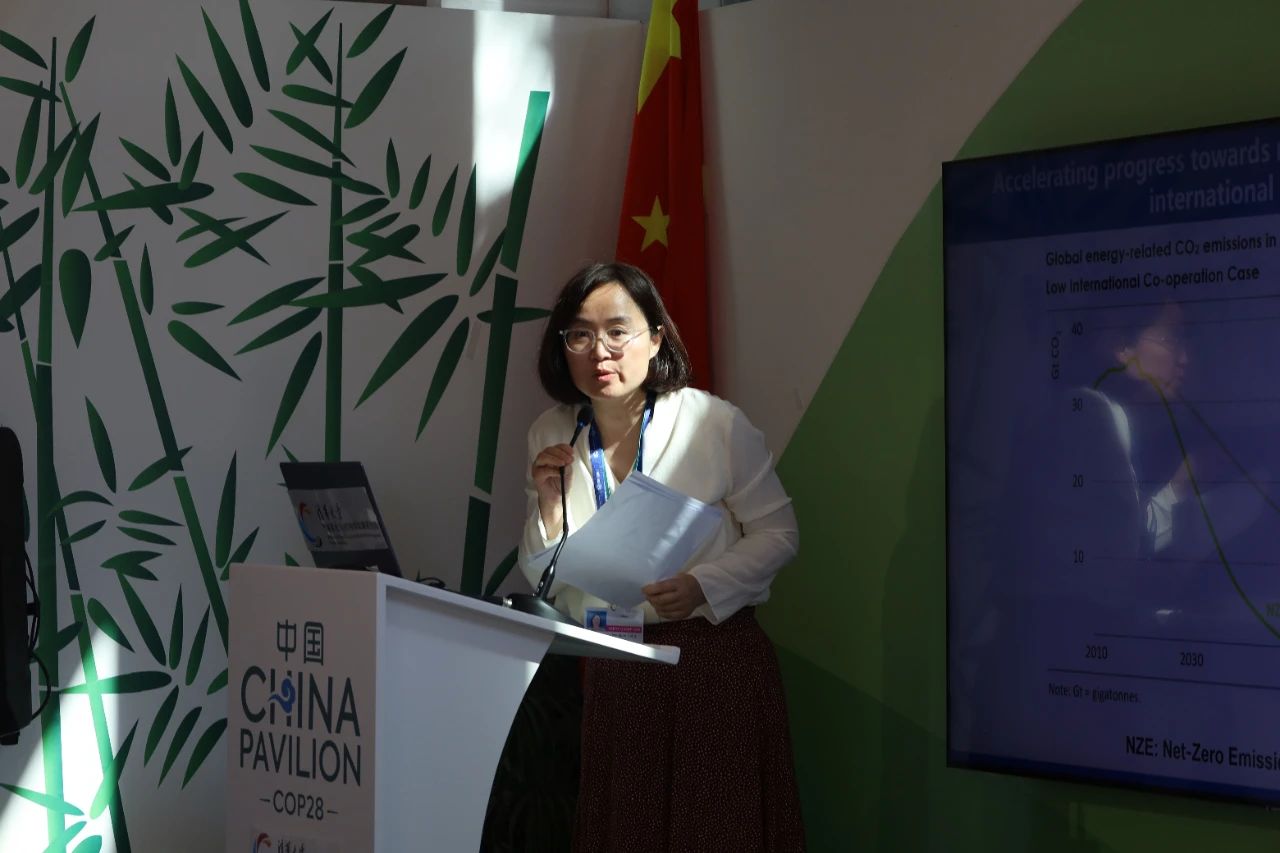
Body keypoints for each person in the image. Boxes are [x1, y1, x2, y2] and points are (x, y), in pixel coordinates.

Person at [517, 262, 805, 852]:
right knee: (628, 832)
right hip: (617, 665)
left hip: (711, 663)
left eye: (617, 331)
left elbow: (779, 534)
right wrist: (547, 505)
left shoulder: (712, 422)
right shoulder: (551, 432)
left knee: (716, 833)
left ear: (655, 338)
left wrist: (704, 584)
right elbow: (543, 577)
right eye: (579, 334)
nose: (600, 350)